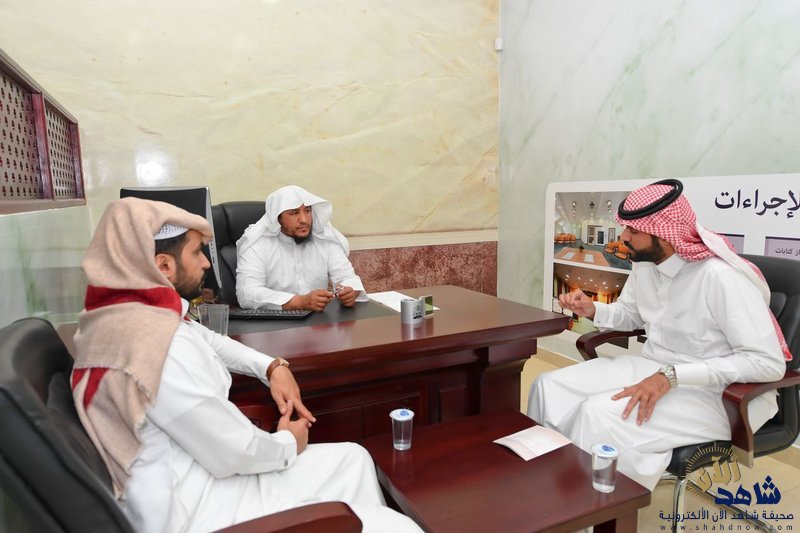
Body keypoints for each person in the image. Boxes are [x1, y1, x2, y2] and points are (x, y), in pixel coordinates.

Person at [71, 197, 420, 533]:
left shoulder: (128, 315)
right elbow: (234, 452)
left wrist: (272, 366)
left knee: (353, 459)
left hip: (207, 474)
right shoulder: (154, 348)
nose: (206, 264)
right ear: (163, 266)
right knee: (399, 527)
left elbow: (208, 339)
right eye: (196, 252)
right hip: (203, 508)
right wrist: (287, 441)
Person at [527, 179, 791, 490]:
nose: (623, 237)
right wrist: (593, 309)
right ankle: (543, 485)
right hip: (654, 367)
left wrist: (673, 376)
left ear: (664, 234)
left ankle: (585, 507)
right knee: (547, 386)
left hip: (718, 393)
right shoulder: (645, 266)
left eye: (633, 231)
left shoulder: (719, 278)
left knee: (596, 415)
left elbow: (767, 363)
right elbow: (630, 315)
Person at [236, 185, 368, 311]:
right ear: (277, 218)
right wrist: (299, 302)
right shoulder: (258, 246)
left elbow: (347, 277)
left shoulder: (324, 240)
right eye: (294, 213)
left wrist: (350, 292)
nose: (304, 220)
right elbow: (247, 293)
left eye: (307, 211)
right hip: (273, 322)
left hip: (319, 320)